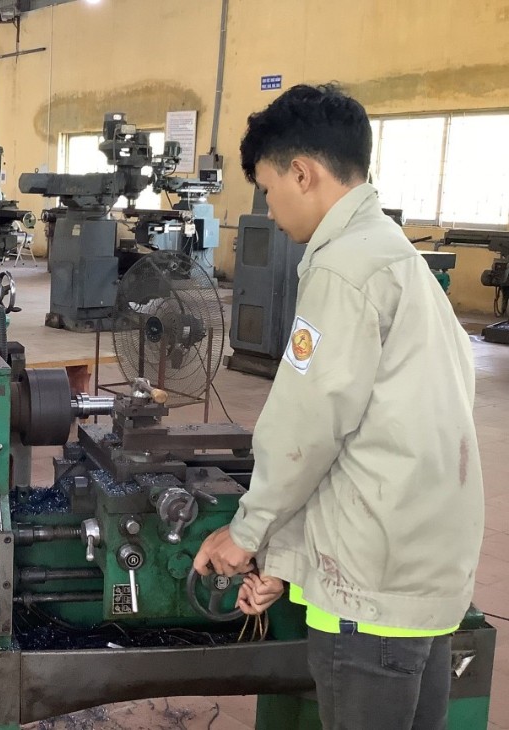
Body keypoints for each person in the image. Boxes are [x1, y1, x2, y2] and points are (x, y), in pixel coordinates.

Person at [193, 84, 484, 730]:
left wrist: (247, 533)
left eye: (267, 188)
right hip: (421, 574)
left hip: (369, 592)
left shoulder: (342, 270)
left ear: (302, 173)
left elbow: (307, 430)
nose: (270, 208)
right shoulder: (397, 256)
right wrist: (288, 563)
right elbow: (374, 433)